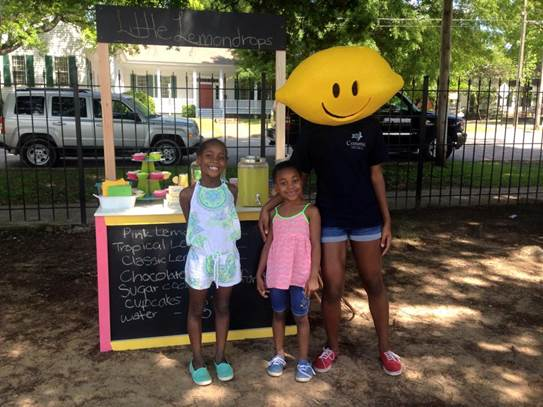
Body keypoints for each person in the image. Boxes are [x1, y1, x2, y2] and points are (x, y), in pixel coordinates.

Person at [258, 117, 402, 376]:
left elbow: (376, 174)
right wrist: (267, 207)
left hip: (365, 217)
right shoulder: (314, 128)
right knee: (332, 287)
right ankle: (331, 347)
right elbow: (294, 178)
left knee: (374, 281)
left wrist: (387, 219)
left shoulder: (368, 124)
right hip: (330, 217)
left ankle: (385, 348)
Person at [179, 138, 241, 386]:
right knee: (196, 309)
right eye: (209, 156)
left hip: (227, 259)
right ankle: (197, 359)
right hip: (200, 260)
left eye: (222, 157)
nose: (215, 161)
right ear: (198, 160)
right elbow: (192, 225)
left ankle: (220, 357)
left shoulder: (231, 191)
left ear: (226, 162)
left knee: (223, 308)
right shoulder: (188, 195)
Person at [256, 160, 321, 382]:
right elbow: (268, 244)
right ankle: (279, 355)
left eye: (294, 181)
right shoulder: (275, 214)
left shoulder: (310, 211)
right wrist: (259, 273)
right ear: (276, 188)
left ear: (301, 181)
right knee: (278, 314)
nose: (290, 187)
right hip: (277, 275)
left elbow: (316, 245)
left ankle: (303, 361)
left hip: (301, 275)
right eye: (283, 183)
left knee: (301, 317)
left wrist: (313, 275)